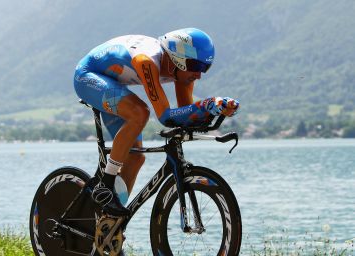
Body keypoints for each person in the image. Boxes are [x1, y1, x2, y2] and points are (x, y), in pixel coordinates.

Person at [73, 28, 239, 217]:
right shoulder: (146, 61)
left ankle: (108, 222)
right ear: (177, 58)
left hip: (113, 83)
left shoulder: (183, 71)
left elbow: (183, 117)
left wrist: (215, 109)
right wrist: (206, 105)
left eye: (204, 68)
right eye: (195, 66)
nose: (198, 74)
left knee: (136, 157)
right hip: (87, 76)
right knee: (139, 113)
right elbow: (166, 117)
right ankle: (106, 185)